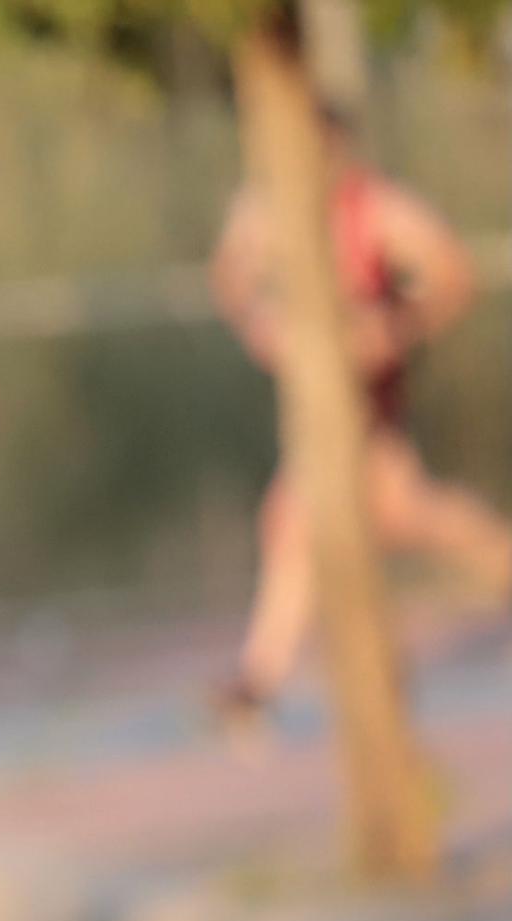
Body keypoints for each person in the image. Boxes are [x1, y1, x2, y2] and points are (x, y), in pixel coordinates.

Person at [210, 109, 512, 726]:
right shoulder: (264, 207)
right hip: (317, 401)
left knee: (389, 513)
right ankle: (258, 679)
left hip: (367, 399)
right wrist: (265, 330)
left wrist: (395, 329)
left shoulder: (373, 207)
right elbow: (231, 281)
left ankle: (261, 680)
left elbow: (452, 273)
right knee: (302, 521)